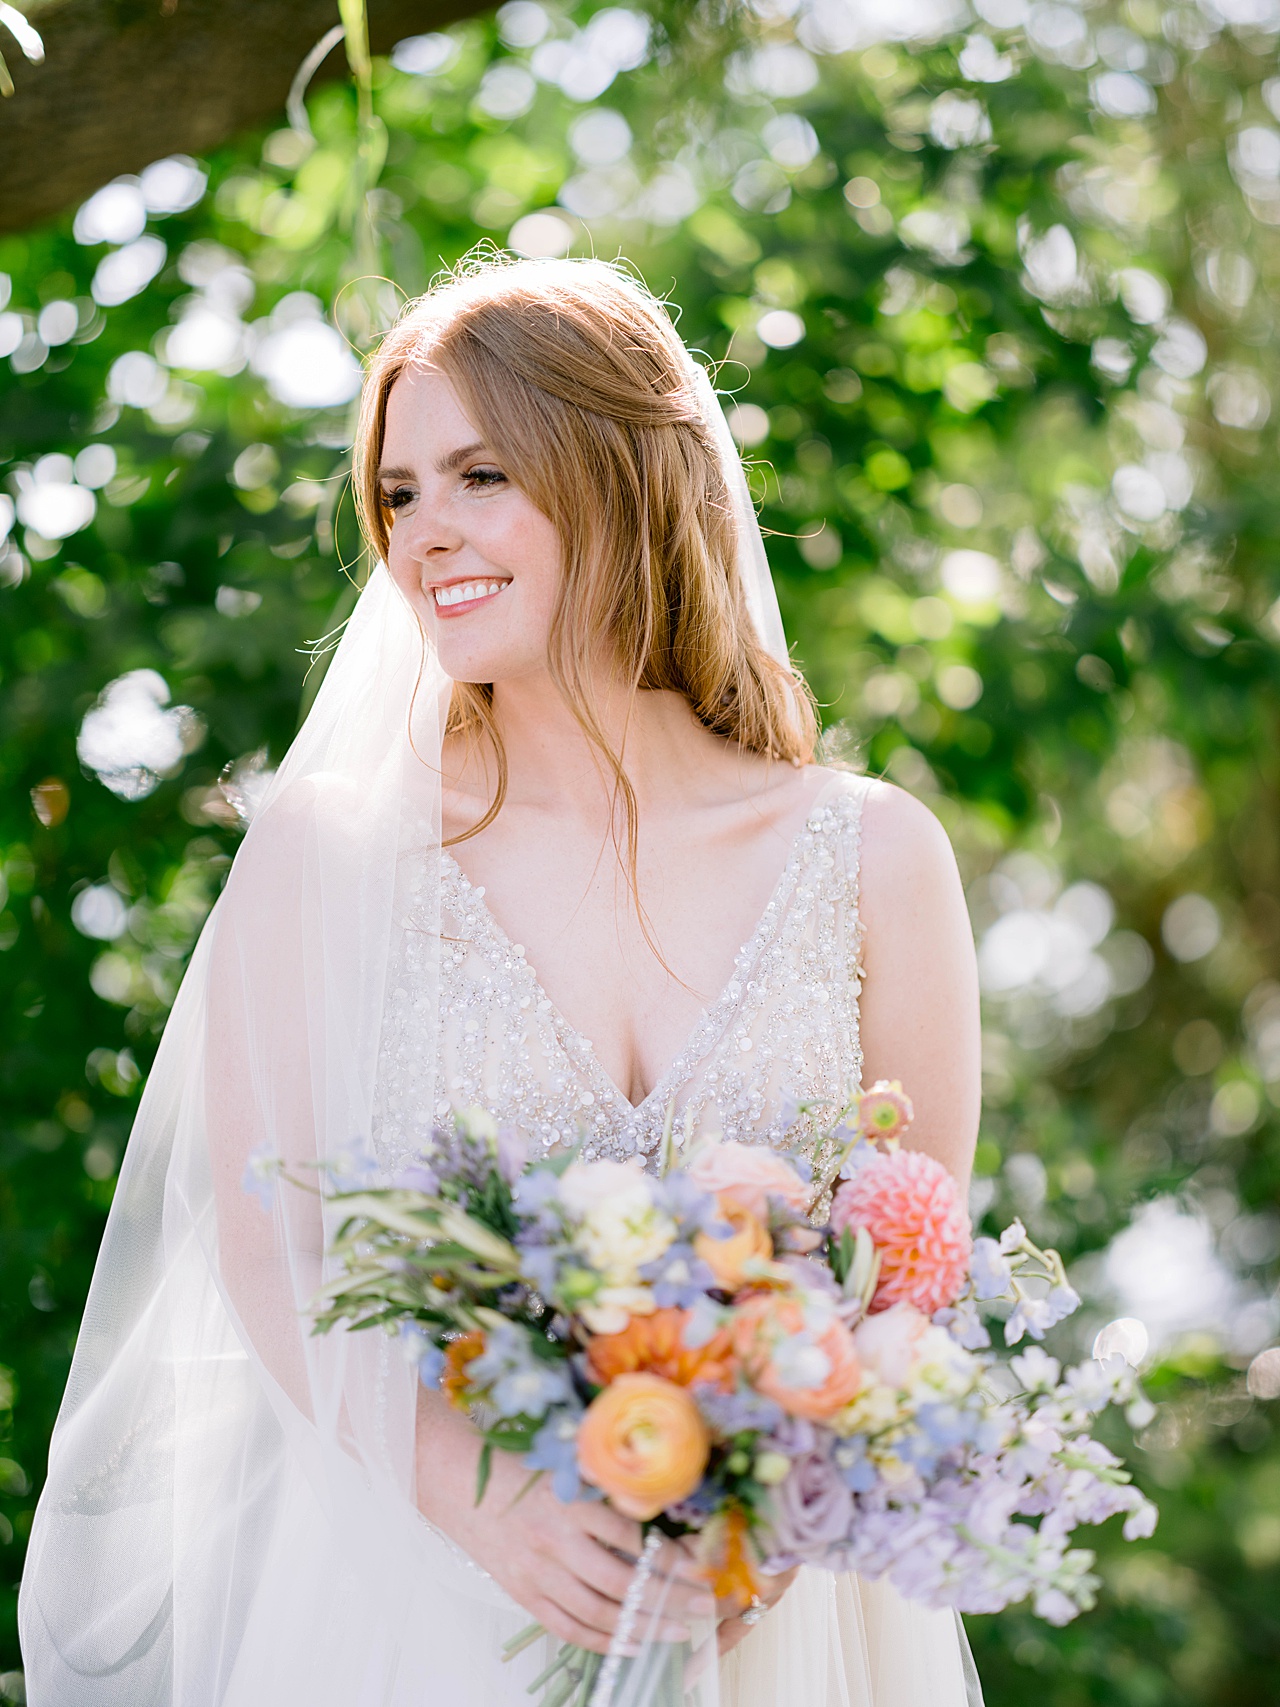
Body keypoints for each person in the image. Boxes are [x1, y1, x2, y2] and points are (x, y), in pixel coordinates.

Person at [19, 256, 982, 1706]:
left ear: (620, 474)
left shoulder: (874, 856)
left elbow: (913, 1255)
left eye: (481, 475)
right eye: (399, 493)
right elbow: (266, 1240)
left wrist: (788, 1490)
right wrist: (487, 1501)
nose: (425, 538)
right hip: (419, 1603)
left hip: (788, 1629)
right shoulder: (332, 856)